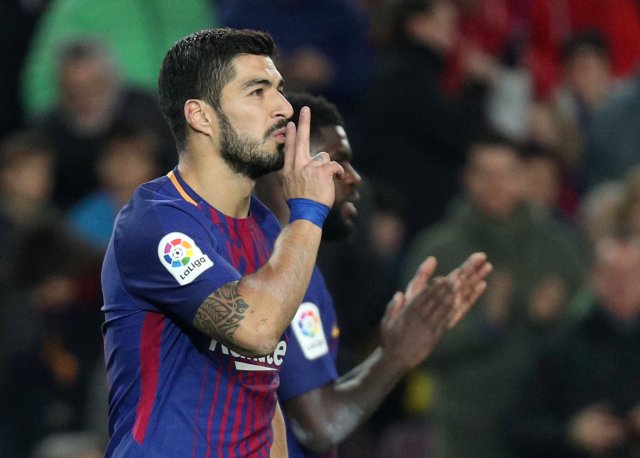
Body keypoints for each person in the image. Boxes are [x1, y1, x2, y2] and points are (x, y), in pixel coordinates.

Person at [101, 28, 483, 457]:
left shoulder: (268, 234)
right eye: (257, 91)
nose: (283, 107)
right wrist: (306, 211)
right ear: (200, 116)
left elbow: (266, 401)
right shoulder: (156, 222)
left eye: (279, 90)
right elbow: (257, 328)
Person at [255, 92, 493, 457]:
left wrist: (387, 351)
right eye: (337, 163)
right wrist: (394, 357)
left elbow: (314, 399)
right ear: (287, 168)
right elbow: (320, 424)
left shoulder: (278, 257)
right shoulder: (280, 270)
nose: (354, 178)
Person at [401, 132, 586, 458]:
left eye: (507, 173)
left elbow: (594, 338)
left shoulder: (561, 247)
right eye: (484, 173)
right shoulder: (436, 251)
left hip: (547, 431)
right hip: (463, 430)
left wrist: (557, 319)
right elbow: (409, 347)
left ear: (523, 178)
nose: (496, 184)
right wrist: (484, 326)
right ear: (466, 178)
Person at [507, 234, 640, 458]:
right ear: (593, 277)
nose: (623, 284)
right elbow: (518, 427)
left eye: (632, 273)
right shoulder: (559, 345)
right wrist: (570, 433)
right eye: (612, 274)